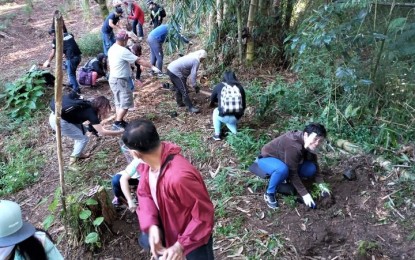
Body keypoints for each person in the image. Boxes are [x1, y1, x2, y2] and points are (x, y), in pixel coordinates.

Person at [121, 119, 214, 260]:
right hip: (170, 228)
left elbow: (203, 215)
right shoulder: (147, 166)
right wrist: (151, 226)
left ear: (135, 153)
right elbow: (145, 194)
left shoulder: (179, 177)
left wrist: (181, 245)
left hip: (193, 239)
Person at [258, 123, 329, 209]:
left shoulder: (309, 143)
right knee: (282, 170)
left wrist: (322, 185)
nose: (317, 143)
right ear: (306, 135)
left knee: (311, 168)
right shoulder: (293, 146)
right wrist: (305, 194)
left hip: (286, 160)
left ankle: (285, 180)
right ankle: (270, 193)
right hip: (268, 159)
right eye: (315, 139)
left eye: (320, 141)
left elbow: (315, 165)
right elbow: (293, 173)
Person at [107, 30, 161, 130]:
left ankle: (120, 120)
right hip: (120, 80)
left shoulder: (112, 48)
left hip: (114, 78)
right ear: (123, 40)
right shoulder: (122, 51)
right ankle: (117, 122)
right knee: (126, 101)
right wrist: (152, 67)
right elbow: (139, 60)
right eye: (127, 40)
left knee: (119, 101)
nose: (127, 41)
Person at [49, 93, 123, 164]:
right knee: (83, 139)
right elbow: (102, 132)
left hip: (57, 115)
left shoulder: (87, 104)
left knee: (83, 132)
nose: (106, 110)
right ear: (102, 107)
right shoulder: (91, 114)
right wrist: (120, 132)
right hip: (59, 121)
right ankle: (72, 161)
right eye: (106, 108)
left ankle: (79, 153)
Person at [42, 29, 82, 94]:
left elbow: (53, 53)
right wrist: (65, 52)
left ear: (52, 35)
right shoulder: (68, 35)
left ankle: (76, 89)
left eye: (53, 35)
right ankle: (72, 83)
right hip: (78, 56)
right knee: (71, 71)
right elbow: (70, 42)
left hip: (71, 58)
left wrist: (48, 61)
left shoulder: (55, 40)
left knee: (71, 73)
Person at [209, 71, 246, 140]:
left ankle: (217, 134)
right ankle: (235, 134)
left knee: (215, 111)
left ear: (224, 77)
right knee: (230, 120)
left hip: (223, 116)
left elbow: (212, 99)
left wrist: (219, 101)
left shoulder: (219, 86)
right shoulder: (240, 87)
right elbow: (243, 105)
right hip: (236, 117)